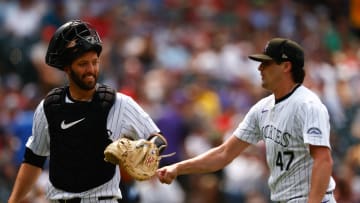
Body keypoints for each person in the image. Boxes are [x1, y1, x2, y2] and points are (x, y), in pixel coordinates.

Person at [157, 38, 337, 203]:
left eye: (266, 63)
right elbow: (224, 153)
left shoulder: (308, 105)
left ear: (286, 66)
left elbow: (323, 160)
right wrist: (178, 168)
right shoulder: (262, 108)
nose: (259, 68)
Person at [8, 19, 165, 203]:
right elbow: (33, 161)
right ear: (67, 67)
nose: (91, 69)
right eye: (83, 63)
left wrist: (147, 150)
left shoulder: (118, 103)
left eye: (94, 62)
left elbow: (158, 139)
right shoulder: (49, 107)